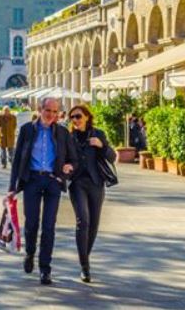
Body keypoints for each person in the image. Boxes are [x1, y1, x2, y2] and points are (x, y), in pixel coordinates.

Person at [7, 97, 76, 286]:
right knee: (31, 222)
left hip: (53, 181)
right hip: (32, 180)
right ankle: (30, 252)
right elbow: (18, 159)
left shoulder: (62, 132)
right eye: (49, 111)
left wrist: (67, 169)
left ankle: (45, 269)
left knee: (49, 226)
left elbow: (73, 159)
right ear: (40, 109)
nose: (52, 115)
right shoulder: (27, 130)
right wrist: (12, 188)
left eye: (56, 112)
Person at [67, 104, 116, 284]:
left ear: (87, 116)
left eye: (78, 116)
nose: (75, 120)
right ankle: (85, 267)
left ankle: (84, 258)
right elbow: (62, 158)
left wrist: (101, 146)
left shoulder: (98, 134)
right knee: (83, 221)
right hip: (77, 183)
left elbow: (112, 157)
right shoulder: (69, 137)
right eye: (72, 117)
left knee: (94, 225)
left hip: (96, 183)